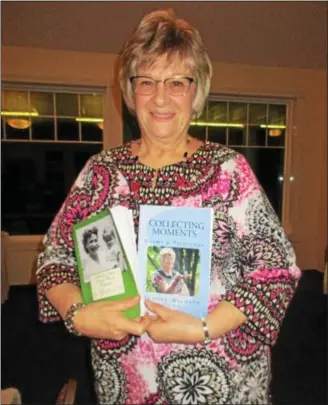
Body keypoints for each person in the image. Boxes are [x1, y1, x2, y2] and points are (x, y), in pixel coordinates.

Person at [36, 9, 301, 404]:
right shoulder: (100, 173)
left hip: (218, 377)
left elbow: (276, 271)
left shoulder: (228, 170)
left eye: (177, 82)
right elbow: (54, 259)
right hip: (125, 380)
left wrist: (204, 327)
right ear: (130, 92)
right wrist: (78, 313)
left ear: (197, 93)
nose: (161, 97)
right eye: (147, 81)